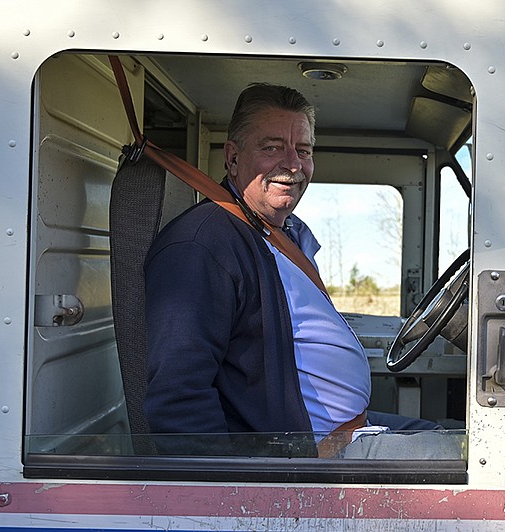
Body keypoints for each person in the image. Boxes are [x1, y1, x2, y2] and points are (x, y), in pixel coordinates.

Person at [143, 83, 454, 458]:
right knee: (471, 456)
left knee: (463, 437)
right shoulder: (202, 246)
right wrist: (227, 497)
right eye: (272, 147)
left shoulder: (275, 233)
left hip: (345, 432)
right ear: (233, 157)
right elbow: (178, 397)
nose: (292, 164)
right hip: (301, 457)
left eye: (303, 150)